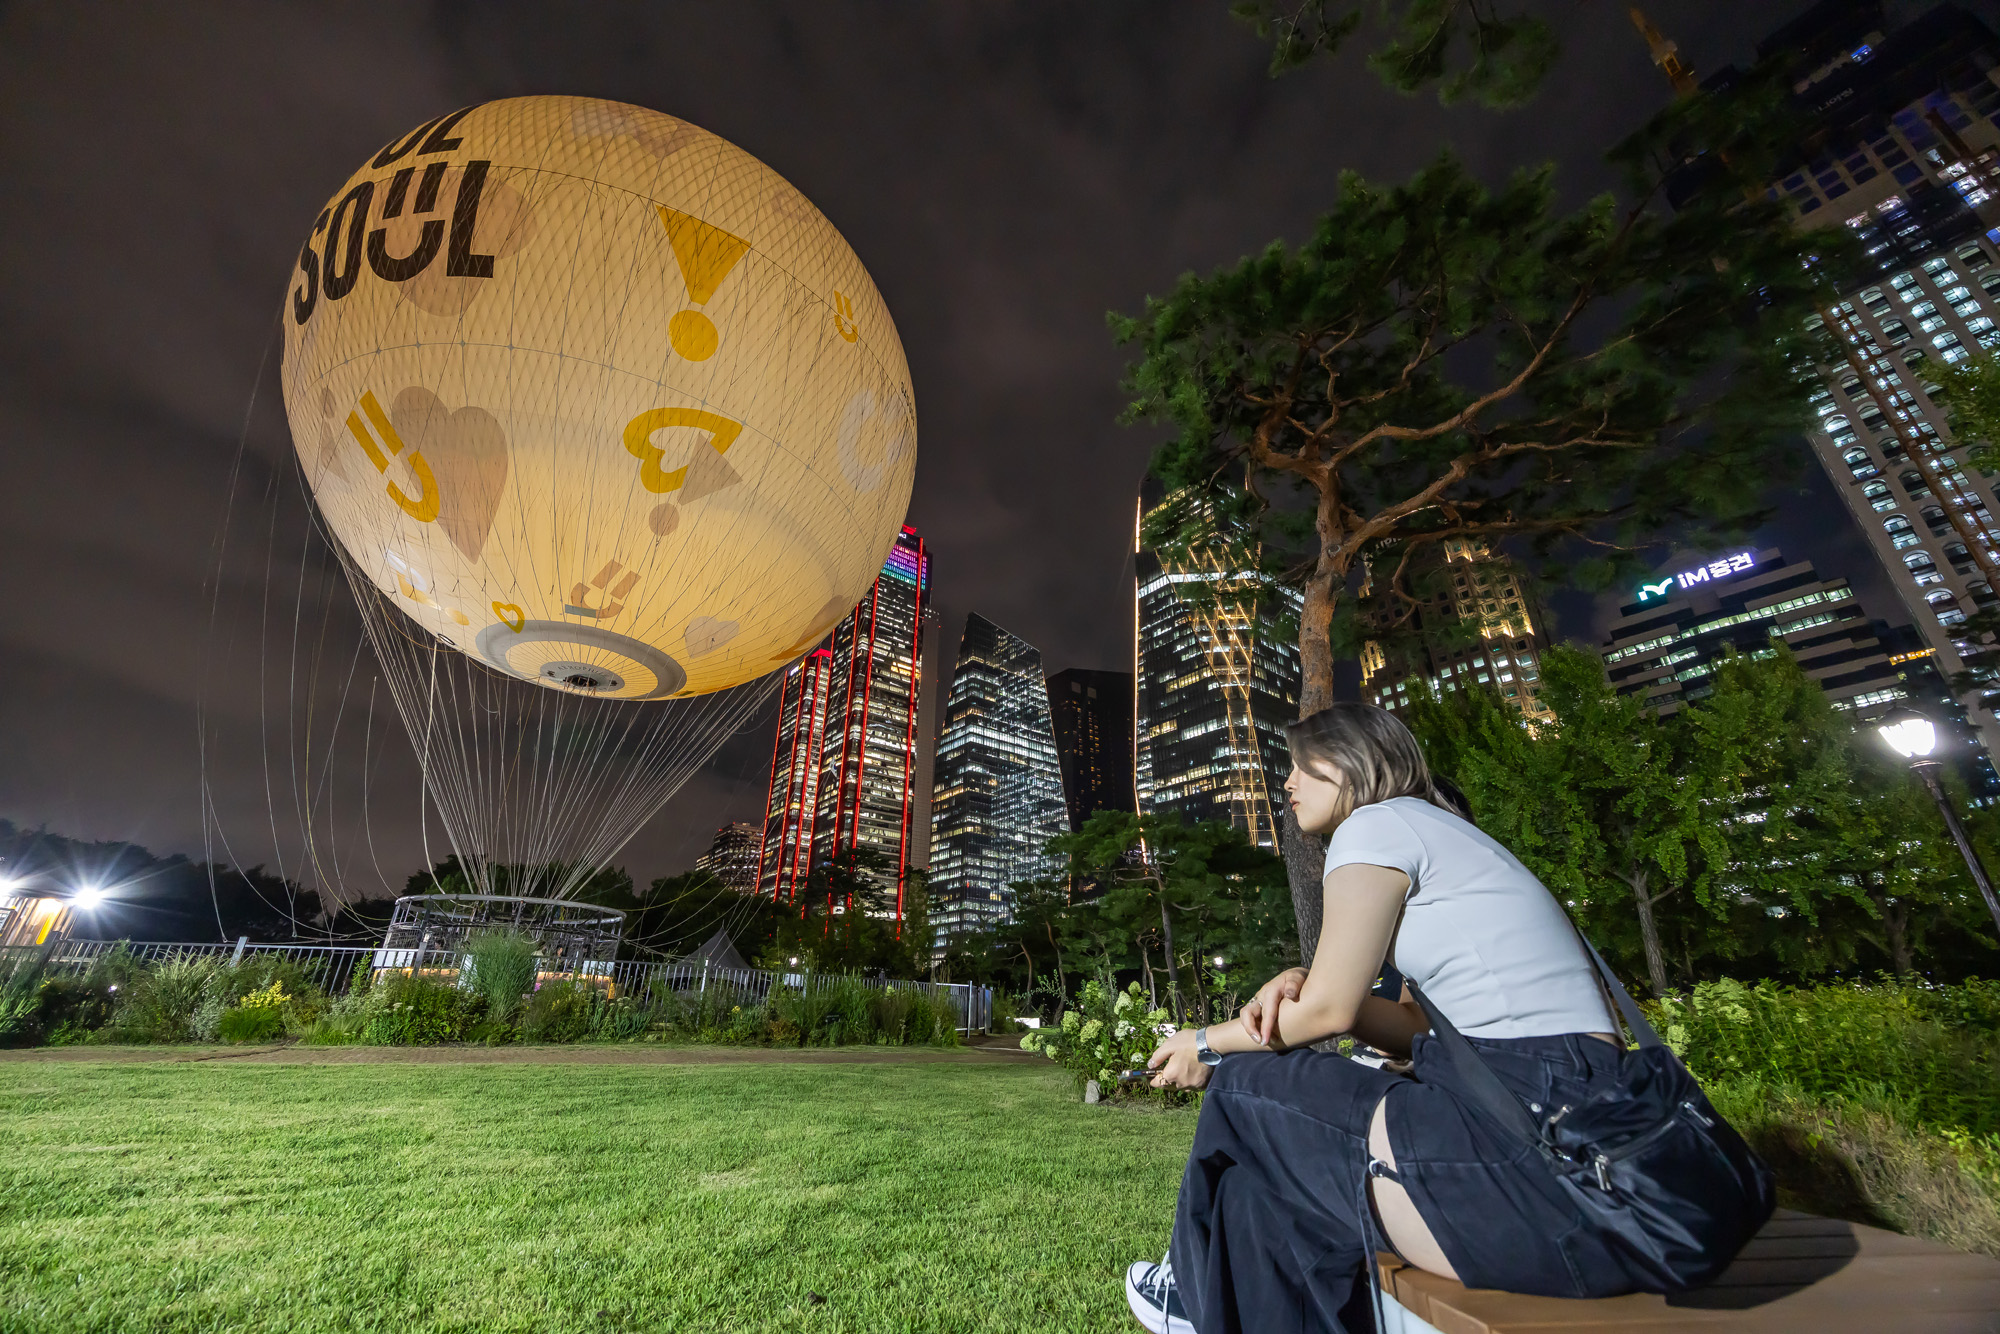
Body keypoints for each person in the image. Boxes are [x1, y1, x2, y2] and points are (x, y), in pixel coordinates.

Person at [1122, 702, 1724, 1334]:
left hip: (1542, 1152)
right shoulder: (1450, 836)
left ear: (1347, 763)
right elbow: (1409, 1027)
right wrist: (1316, 985)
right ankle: (1199, 1296)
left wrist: (1203, 1044)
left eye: (1299, 767)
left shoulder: (1375, 826)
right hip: (1578, 1146)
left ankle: (1187, 1293)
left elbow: (1327, 1011)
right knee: (1256, 1197)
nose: (1289, 785)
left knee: (1244, 1083)